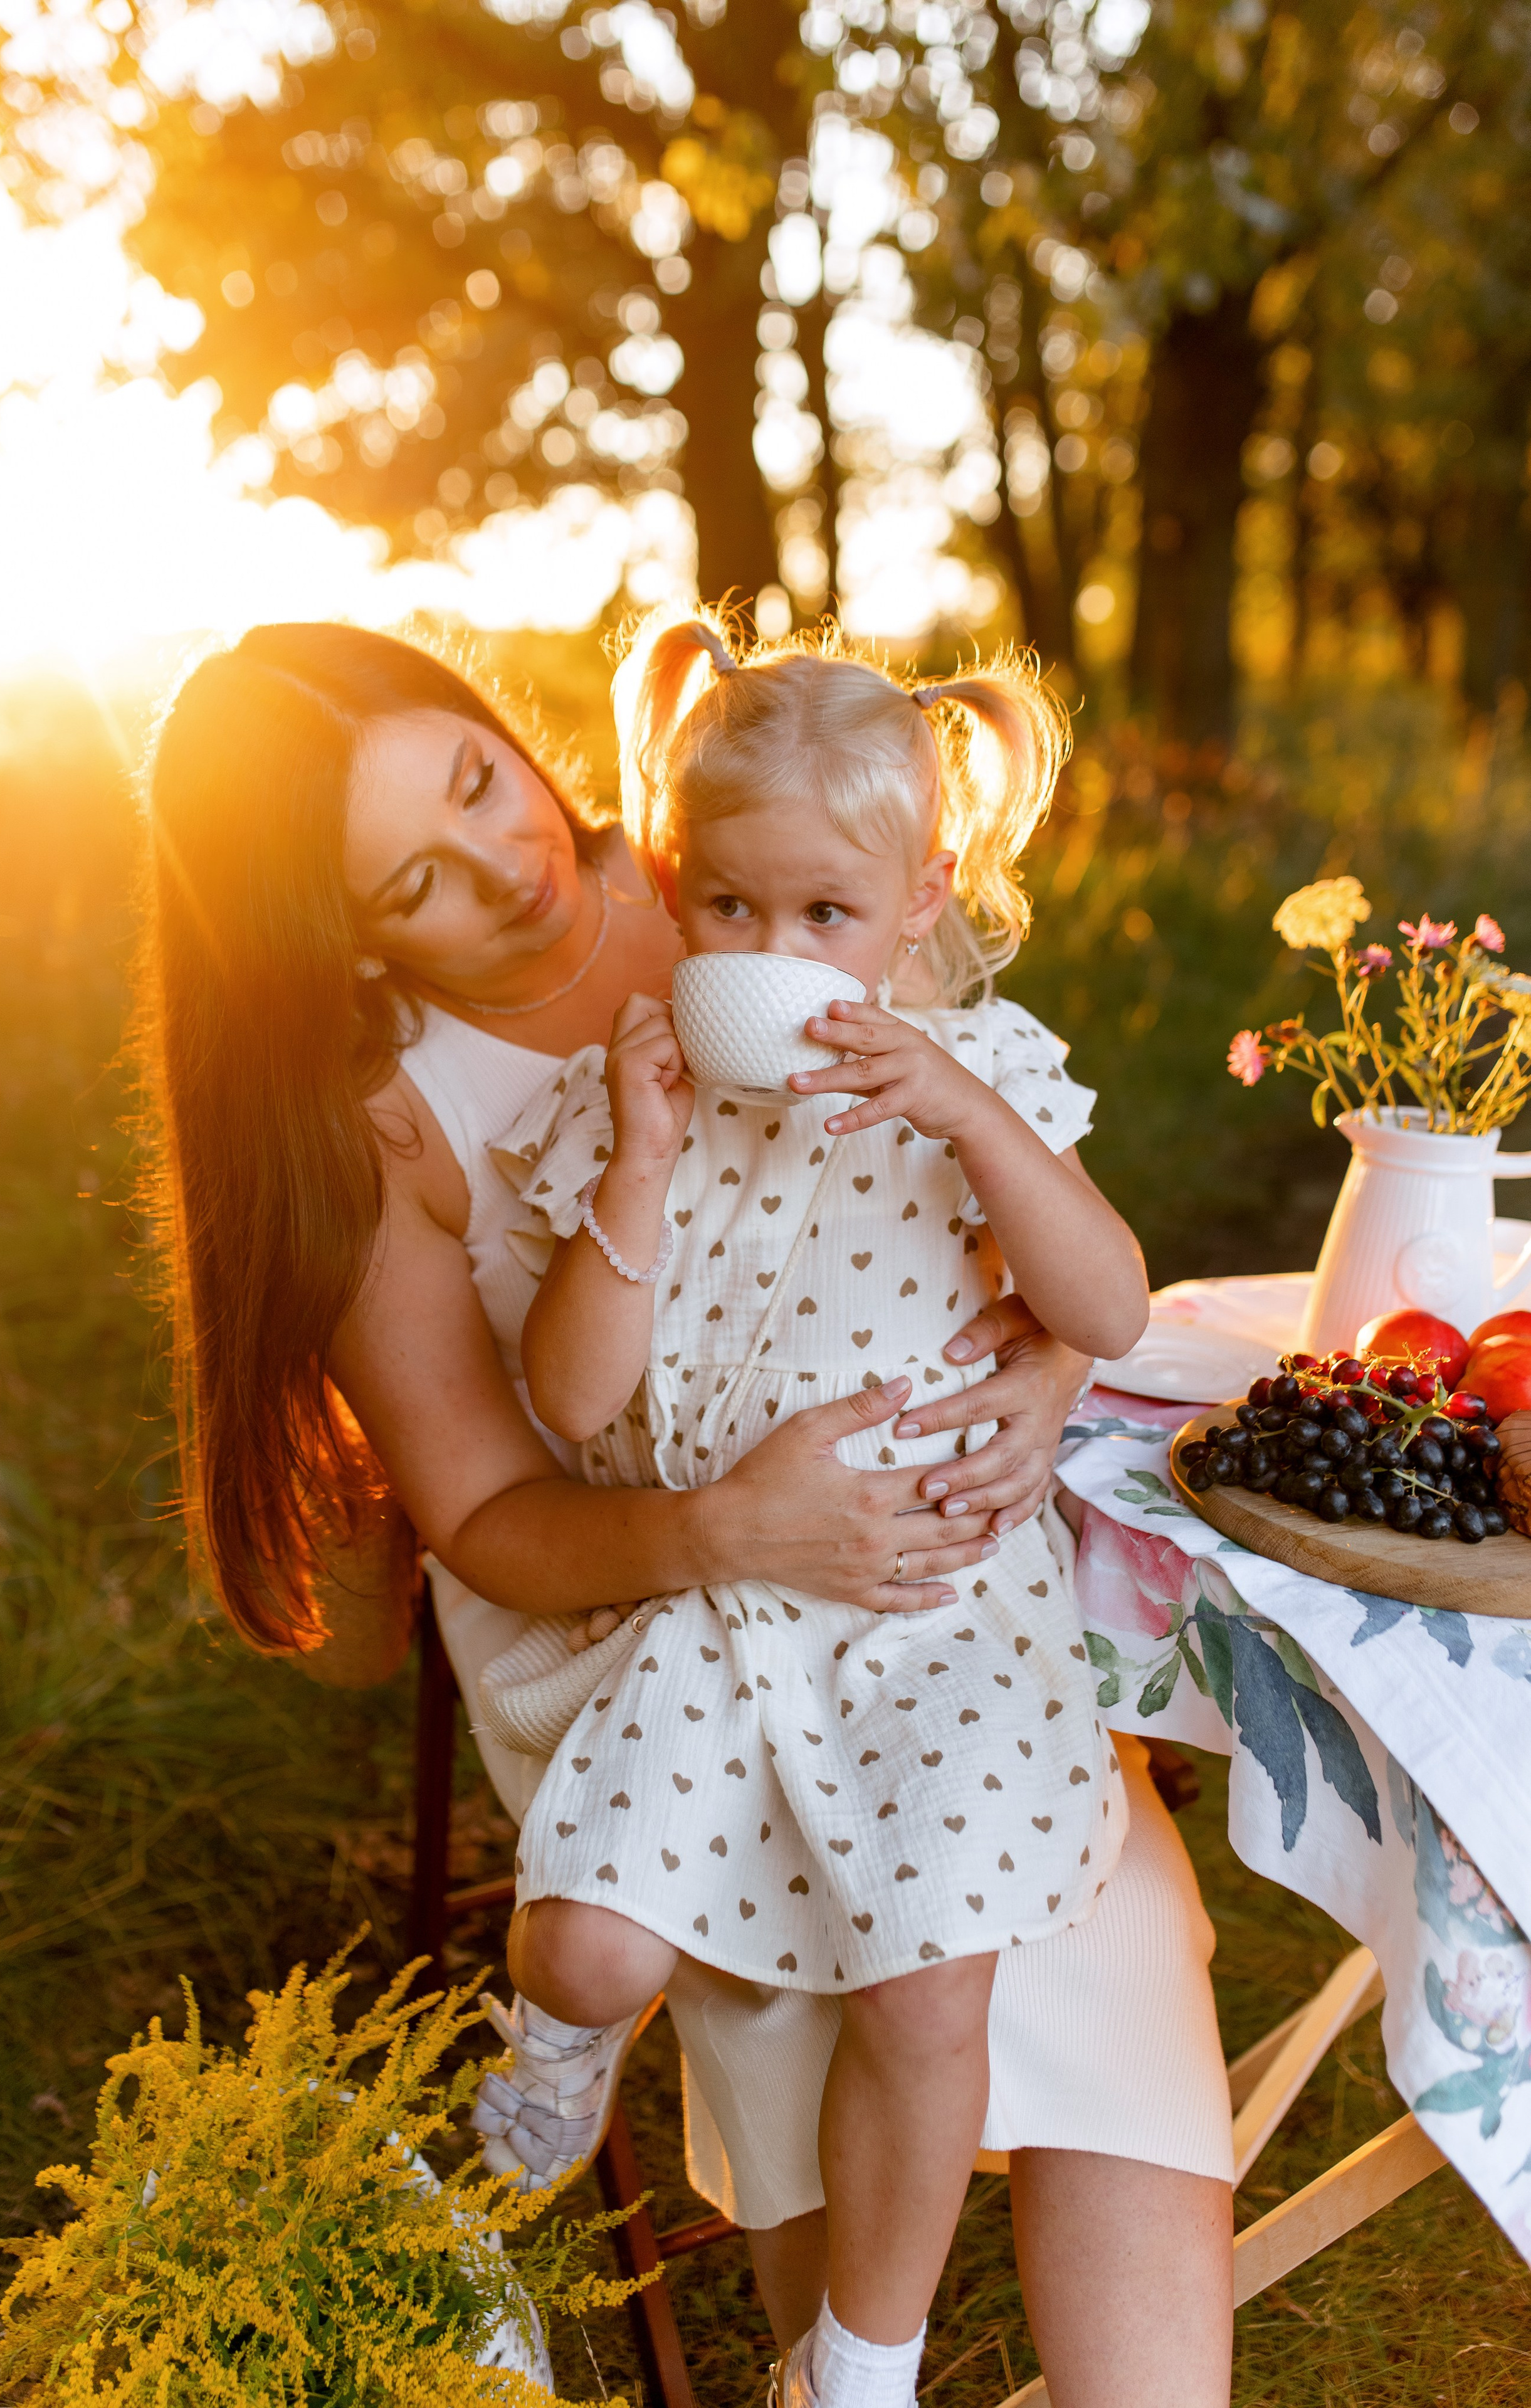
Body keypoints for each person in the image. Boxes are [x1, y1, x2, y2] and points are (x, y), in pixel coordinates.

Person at [140, 620, 1234, 2406]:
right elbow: (495, 1503)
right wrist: (741, 1530)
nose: (508, 865)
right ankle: (821, 2342)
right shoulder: (379, 1127)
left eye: (484, 782)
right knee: (811, 1949)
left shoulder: (744, 849)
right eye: (416, 874)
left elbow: (1030, 1246)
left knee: (1072, 1917)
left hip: (907, 1564)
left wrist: (1035, 1377)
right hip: (623, 1592)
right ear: (334, 931)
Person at [496, 615, 1150, 2404]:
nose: (772, 956)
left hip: (939, 1619)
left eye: (825, 918)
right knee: (585, 1940)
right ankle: (518, 2127)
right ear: (668, 880)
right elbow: (565, 1403)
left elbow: (1106, 1311)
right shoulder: (637, 1099)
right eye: (729, 910)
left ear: (924, 893)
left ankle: (858, 2365)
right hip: (722, 1605)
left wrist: (962, 1108)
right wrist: (634, 1166)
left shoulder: (986, 1080)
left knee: (930, 1990)